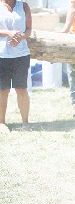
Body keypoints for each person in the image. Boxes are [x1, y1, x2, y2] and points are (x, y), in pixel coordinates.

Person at [0, 0, 32, 132]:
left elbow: (29, 29)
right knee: (2, 91)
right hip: (2, 55)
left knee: (22, 90)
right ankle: (1, 123)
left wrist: (21, 37)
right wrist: (9, 33)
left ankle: (25, 123)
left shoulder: (24, 5)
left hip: (21, 55)